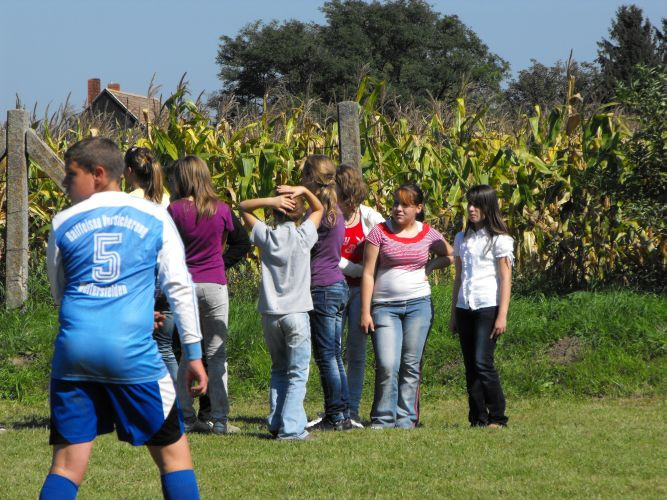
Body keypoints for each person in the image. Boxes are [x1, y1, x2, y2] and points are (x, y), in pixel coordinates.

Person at [42, 137, 207, 499]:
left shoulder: (63, 221)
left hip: (75, 352)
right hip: (130, 352)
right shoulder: (155, 217)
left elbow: (61, 292)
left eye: (71, 175)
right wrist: (193, 354)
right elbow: (179, 286)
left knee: (67, 465)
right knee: (174, 458)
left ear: (97, 175)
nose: (66, 184)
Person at [360, 183, 453, 429]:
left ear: (418, 208)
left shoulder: (428, 233)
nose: (398, 209)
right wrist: (365, 311)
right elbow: (368, 274)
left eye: (405, 205)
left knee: (411, 364)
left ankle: (406, 418)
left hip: (418, 306)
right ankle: (382, 418)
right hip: (384, 308)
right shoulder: (378, 233)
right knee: (387, 363)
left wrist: (431, 266)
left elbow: (451, 255)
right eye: (395, 204)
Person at [238, 185, 323, 440]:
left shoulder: (267, 236)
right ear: (299, 215)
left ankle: (276, 420)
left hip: (271, 313)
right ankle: (291, 427)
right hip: (297, 312)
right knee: (298, 372)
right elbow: (319, 208)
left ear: (276, 213)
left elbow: (242, 206)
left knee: (279, 368)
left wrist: (271, 200)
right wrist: (305, 190)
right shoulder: (303, 235)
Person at [167, 155, 237, 435]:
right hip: (215, 284)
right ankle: (219, 419)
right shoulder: (221, 209)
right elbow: (225, 243)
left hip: (186, 285)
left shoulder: (173, 210)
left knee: (187, 351)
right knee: (217, 354)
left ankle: (184, 417)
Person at [450, 185, 513, 428]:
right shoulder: (461, 239)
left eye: (477, 205)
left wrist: (502, 315)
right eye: (469, 204)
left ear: (488, 207)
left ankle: (498, 416)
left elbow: (505, 278)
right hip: (465, 306)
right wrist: (454, 313)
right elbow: (459, 277)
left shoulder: (499, 239)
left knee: (482, 361)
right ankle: (477, 417)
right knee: (470, 365)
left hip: (488, 306)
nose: (471, 209)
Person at [300, 155, 351, 431]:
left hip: (320, 288)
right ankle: (341, 411)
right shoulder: (337, 212)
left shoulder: (316, 215)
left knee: (326, 356)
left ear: (311, 178)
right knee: (334, 354)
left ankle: (335, 413)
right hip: (337, 285)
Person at [336, 164, 384, 427]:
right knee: (333, 352)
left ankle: (352, 409)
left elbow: (379, 258)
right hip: (334, 290)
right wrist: (357, 267)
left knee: (356, 352)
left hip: (361, 292)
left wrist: (356, 268)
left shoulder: (371, 218)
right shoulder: (329, 218)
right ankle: (336, 405)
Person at [124, 146, 177, 381]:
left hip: (140, 281)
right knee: (165, 349)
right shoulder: (167, 201)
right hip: (166, 278)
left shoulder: (127, 202)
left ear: (128, 171)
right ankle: (179, 406)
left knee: (134, 346)